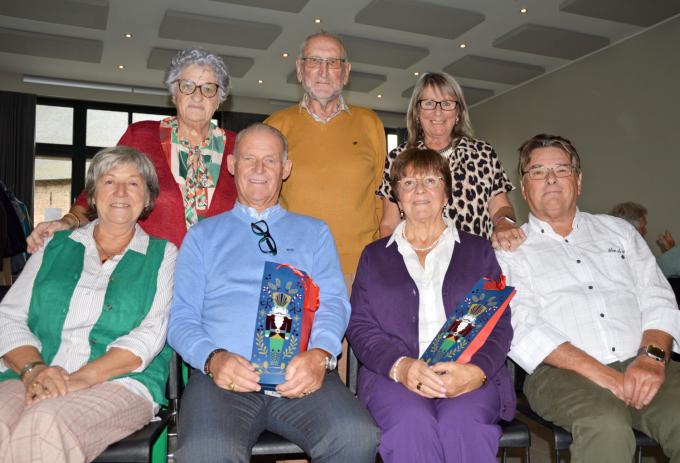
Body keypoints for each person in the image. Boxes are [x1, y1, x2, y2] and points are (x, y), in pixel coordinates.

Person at [167, 123, 379, 463]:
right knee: (206, 451)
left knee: (356, 436)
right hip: (223, 379)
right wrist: (213, 359)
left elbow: (334, 303)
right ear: (232, 164)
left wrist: (320, 354)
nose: (259, 169)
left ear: (286, 168)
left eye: (270, 160)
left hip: (300, 375)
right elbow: (181, 318)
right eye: (249, 158)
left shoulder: (314, 232)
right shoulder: (202, 236)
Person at [497, 134, 680, 463]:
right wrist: (606, 376)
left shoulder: (620, 232)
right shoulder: (510, 249)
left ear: (578, 181)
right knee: (606, 427)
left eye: (561, 169)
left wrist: (651, 359)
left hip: (644, 360)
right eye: (537, 171)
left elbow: (658, 296)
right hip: (561, 374)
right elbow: (522, 326)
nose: (550, 178)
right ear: (523, 188)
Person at [0, 146, 177, 461]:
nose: (120, 191)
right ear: (92, 196)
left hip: (120, 381)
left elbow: (150, 334)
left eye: (133, 183)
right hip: (31, 371)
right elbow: (8, 317)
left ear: (148, 198)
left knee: (44, 424)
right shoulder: (52, 246)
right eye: (109, 181)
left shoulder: (163, 255)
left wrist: (75, 380)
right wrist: (35, 371)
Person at [346, 147, 515, 463]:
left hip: (469, 371)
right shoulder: (374, 255)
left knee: (462, 424)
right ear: (397, 198)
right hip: (393, 375)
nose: (420, 190)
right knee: (411, 424)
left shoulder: (479, 251)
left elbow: (499, 324)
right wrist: (401, 366)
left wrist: (477, 371)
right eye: (408, 183)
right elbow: (360, 326)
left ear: (447, 194)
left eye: (431, 181)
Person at [27, 47, 237, 252]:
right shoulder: (141, 136)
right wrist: (68, 221)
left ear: (220, 98)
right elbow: (97, 195)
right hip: (151, 267)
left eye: (208, 88)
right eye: (187, 86)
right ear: (174, 93)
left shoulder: (238, 147)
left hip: (219, 270)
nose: (197, 96)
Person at [265, 31, 386, 277]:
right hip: (290, 268)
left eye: (333, 62)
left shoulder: (370, 123)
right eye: (314, 61)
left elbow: (381, 197)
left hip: (360, 269)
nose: (323, 71)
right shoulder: (275, 127)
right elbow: (262, 202)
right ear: (300, 69)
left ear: (346, 72)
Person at [377, 72, 524, 252]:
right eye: (429, 103)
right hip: (417, 262)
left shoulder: (482, 153)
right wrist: (389, 260)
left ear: (458, 112)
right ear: (416, 112)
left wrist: (503, 223)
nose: (438, 111)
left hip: (475, 260)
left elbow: (501, 206)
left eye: (447, 103)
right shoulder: (399, 158)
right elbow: (389, 223)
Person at [610, 202, 680, 278]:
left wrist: (671, 252)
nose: (645, 231)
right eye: (642, 227)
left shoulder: (636, 251)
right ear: (628, 229)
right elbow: (652, 274)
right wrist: (672, 253)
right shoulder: (615, 255)